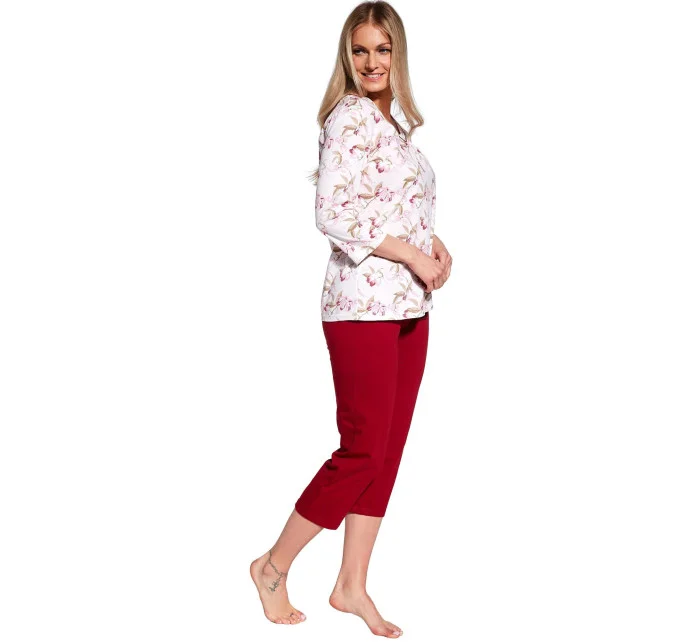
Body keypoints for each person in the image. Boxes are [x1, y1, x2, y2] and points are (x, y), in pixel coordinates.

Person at [250, 1, 452, 637]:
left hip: (409, 307)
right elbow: (333, 213)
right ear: (348, 55)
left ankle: (351, 585)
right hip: (361, 308)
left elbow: (390, 207)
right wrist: (412, 254)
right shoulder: (347, 118)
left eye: (382, 50)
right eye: (360, 50)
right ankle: (272, 566)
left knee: (385, 452)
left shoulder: (395, 125)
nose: (371, 61)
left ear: (398, 55)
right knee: (361, 450)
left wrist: (433, 244)